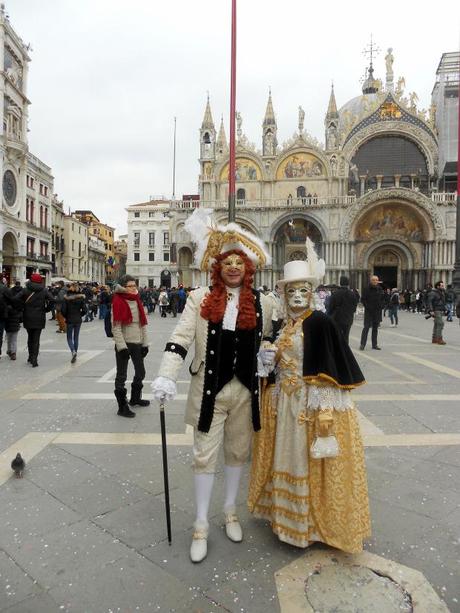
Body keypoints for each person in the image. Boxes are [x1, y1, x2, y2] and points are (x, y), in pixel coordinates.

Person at [151, 210, 273, 563]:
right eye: (227, 262)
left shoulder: (264, 302)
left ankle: (230, 511)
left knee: (237, 454)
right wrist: (164, 375)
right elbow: (180, 338)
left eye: (240, 262)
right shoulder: (199, 298)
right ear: (217, 267)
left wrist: (273, 355)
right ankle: (201, 524)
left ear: (248, 268)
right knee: (203, 456)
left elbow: (278, 337)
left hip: (245, 393)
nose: (233, 267)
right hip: (209, 391)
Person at [248, 250, 370, 554]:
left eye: (303, 290)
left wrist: (325, 407)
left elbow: (329, 367)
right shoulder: (285, 326)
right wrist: (267, 359)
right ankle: (289, 521)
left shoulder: (320, 323)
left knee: (311, 463)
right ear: (284, 295)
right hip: (286, 406)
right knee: (289, 457)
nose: (298, 296)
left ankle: (313, 525)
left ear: (312, 292)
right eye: (292, 291)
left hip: (311, 406)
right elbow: (280, 364)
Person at [111, 275, 150, 418]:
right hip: (125, 344)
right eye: (131, 286)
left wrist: (145, 344)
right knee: (121, 376)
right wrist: (122, 348)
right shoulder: (118, 301)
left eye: (135, 285)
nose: (134, 288)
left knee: (141, 372)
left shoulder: (137, 300)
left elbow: (143, 324)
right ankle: (122, 407)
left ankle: (135, 398)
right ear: (123, 287)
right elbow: (116, 328)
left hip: (138, 343)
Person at [16, 273, 54, 367]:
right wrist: (47, 309)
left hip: (28, 316)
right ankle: (34, 359)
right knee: (36, 339)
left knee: (30, 337)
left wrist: (22, 307)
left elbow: (15, 299)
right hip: (39, 317)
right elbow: (52, 300)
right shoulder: (44, 290)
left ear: (31, 280)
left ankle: (30, 356)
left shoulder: (25, 290)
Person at [326, 275, 358, 344]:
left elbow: (330, 307)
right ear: (348, 283)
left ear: (340, 283)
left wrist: (330, 315)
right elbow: (355, 306)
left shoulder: (335, 294)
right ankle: (345, 351)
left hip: (337, 318)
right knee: (346, 336)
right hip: (348, 318)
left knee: (337, 336)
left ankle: (338, 352)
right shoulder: (352, 294)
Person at [61, 283, 86, 363]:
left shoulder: (66, 298)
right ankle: (75, 352)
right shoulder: (81, 298)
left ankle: (73, 351)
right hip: (78, 320)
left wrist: (66, 316)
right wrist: (80, 315)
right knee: (76, 337)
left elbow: (63, 310)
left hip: (69, 319)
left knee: (69, 337)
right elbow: (85, 310)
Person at [359, 275, 384, 350]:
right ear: (371, 281)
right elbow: (363, 299)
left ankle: (374, 344)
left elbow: (383, 298)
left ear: (378, 281)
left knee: (375, 328)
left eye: (376, 280)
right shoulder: (366, 289)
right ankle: (362, 344)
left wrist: (382, 306)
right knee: (366, 328)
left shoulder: (380, 289)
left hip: (377, 311)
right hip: (369, 312)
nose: (375, 281)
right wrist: (367, 307)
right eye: (373, 280)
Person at [427, 281, 447, 345]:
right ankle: (439, 339)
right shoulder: (433, 293)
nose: (443, 287)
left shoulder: (442, 292)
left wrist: (444, 309)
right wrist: (431, 310)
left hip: (440, 309)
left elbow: (443, 301)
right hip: (436, 310)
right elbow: (429, 302)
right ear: (438, 286)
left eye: (443, 285)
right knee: (440, 323)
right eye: (441, 286)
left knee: (436, 324)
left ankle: (434, 338)